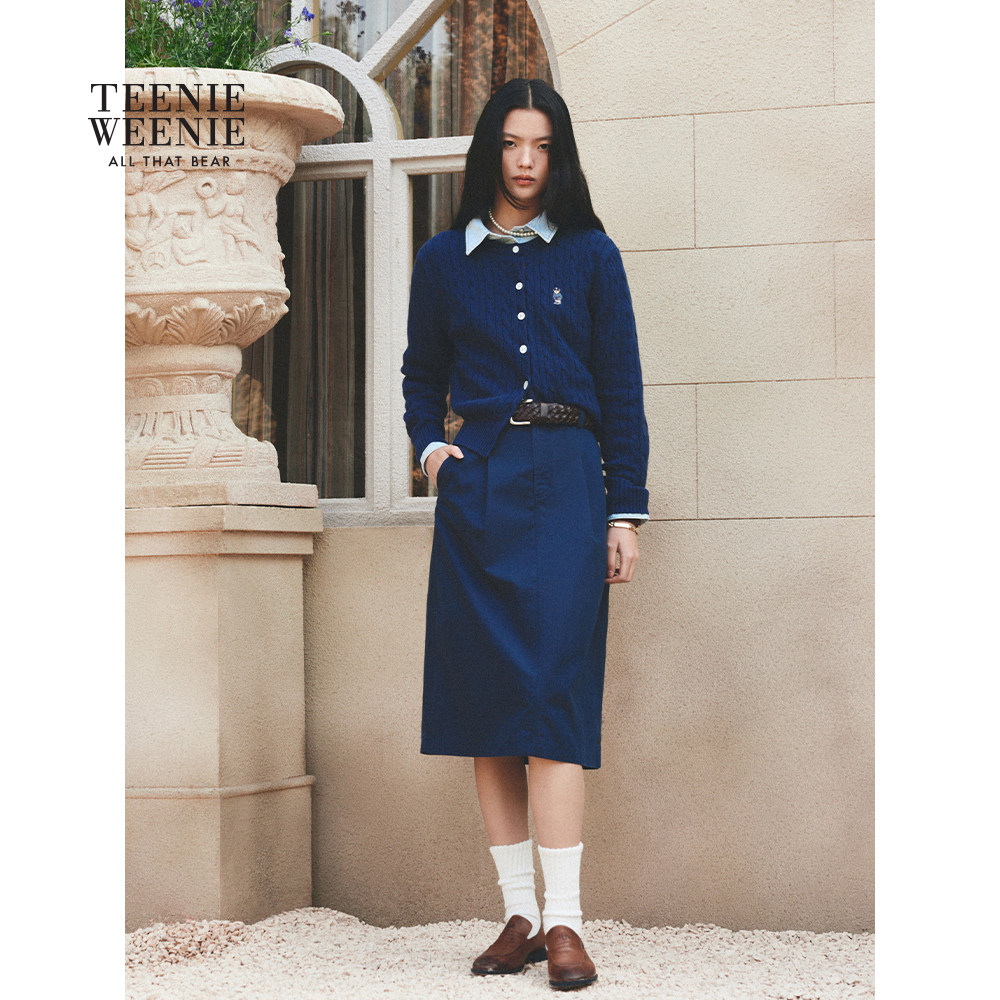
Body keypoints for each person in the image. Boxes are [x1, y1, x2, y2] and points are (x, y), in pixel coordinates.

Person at [401, 77, 649, 992]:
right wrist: (435, 453)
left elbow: (621, 387)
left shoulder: (591, 254)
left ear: (560, 155)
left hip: (570, 483)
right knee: (490, 710)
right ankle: (518, 916)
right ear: (489, 151)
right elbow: (420, 375)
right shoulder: (443, 260)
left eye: (542, 146)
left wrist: (624, 510)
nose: (525, 161)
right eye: (511, 143)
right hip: (482, 492)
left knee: (552, 704)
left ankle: (567, 922)